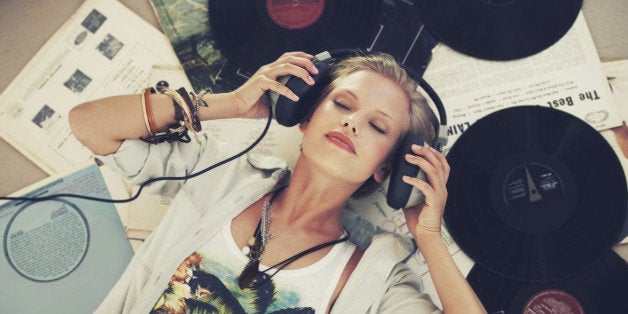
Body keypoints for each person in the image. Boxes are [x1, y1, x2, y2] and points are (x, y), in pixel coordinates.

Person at [69, 51, 486, 313]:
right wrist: (229, 103)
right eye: (342, 103)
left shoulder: (377, 278)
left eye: (377, 126)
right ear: (303, 115)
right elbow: (89, 125)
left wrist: (429, 235)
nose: (351, 121)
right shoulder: (221, 175)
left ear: (386, 171)